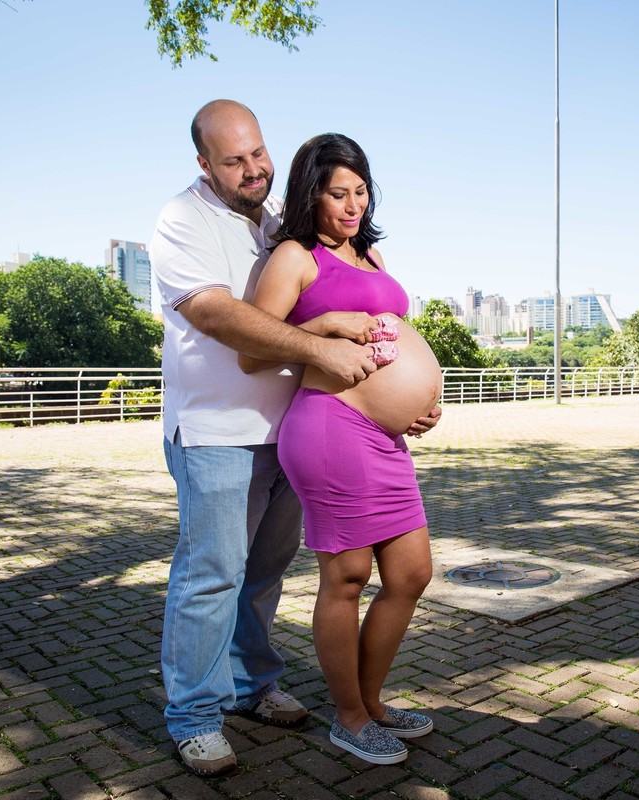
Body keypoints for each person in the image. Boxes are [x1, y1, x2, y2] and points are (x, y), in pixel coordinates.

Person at [150, 100, 438, 777]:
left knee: (264, 575)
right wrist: (325, 335)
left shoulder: (281, 218)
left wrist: (405, 397)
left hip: (287, 425)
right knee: (213, 576)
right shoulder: (184, 220)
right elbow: (221, 317)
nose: (253, 169)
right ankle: (195, 717)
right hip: (219, 428)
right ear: (204, 163)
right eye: (234, 160)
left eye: (258, 153)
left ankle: (253, 687)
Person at [240, 133, 443, 765]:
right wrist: (324, 325)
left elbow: (393, 339)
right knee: (348, 576)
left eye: (360, 192)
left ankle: (372, 702)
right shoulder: (294, 257)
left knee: (410, 573)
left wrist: (415, 401)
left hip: (384, 436)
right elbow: (252, 352)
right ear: (311, 194)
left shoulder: (371, 254)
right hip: (330, 428)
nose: (352, 206)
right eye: (337, 194)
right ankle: (350, 719)